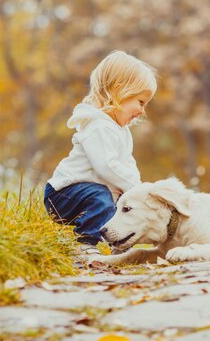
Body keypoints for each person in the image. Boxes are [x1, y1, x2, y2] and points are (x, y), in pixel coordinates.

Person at [44, 50, 157, 255]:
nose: (142, 111)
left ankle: (117, 244)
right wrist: (132, 187)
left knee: (117, 206)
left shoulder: (120, 131)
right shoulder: (98, 126)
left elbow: (127, 163)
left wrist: (136, 189)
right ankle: (85, 244)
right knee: (102, 199)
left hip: (86, 193)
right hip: (63, 194)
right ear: (120, 91)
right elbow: (106, 166)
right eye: (140, 102)